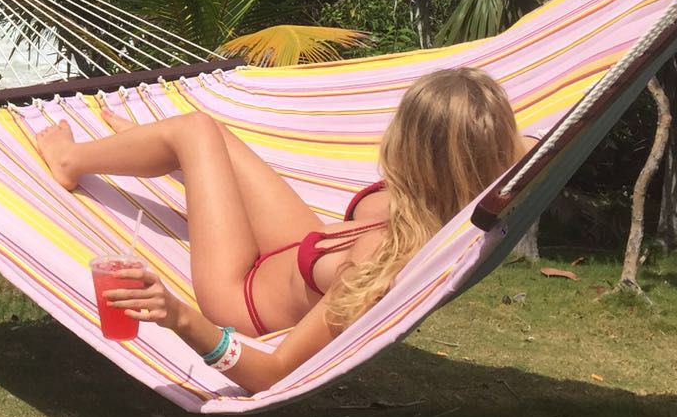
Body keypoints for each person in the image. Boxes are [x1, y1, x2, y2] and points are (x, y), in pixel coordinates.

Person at [34, 67, 533, 392]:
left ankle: (69, 159)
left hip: (242, 295)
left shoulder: (377, 263)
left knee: (194, 133)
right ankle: (148, 149)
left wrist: (181, 318)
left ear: (407, 144)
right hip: (302, 245)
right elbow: (531, 144)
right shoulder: (477, 181)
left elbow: (272, 373)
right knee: (207, 132)